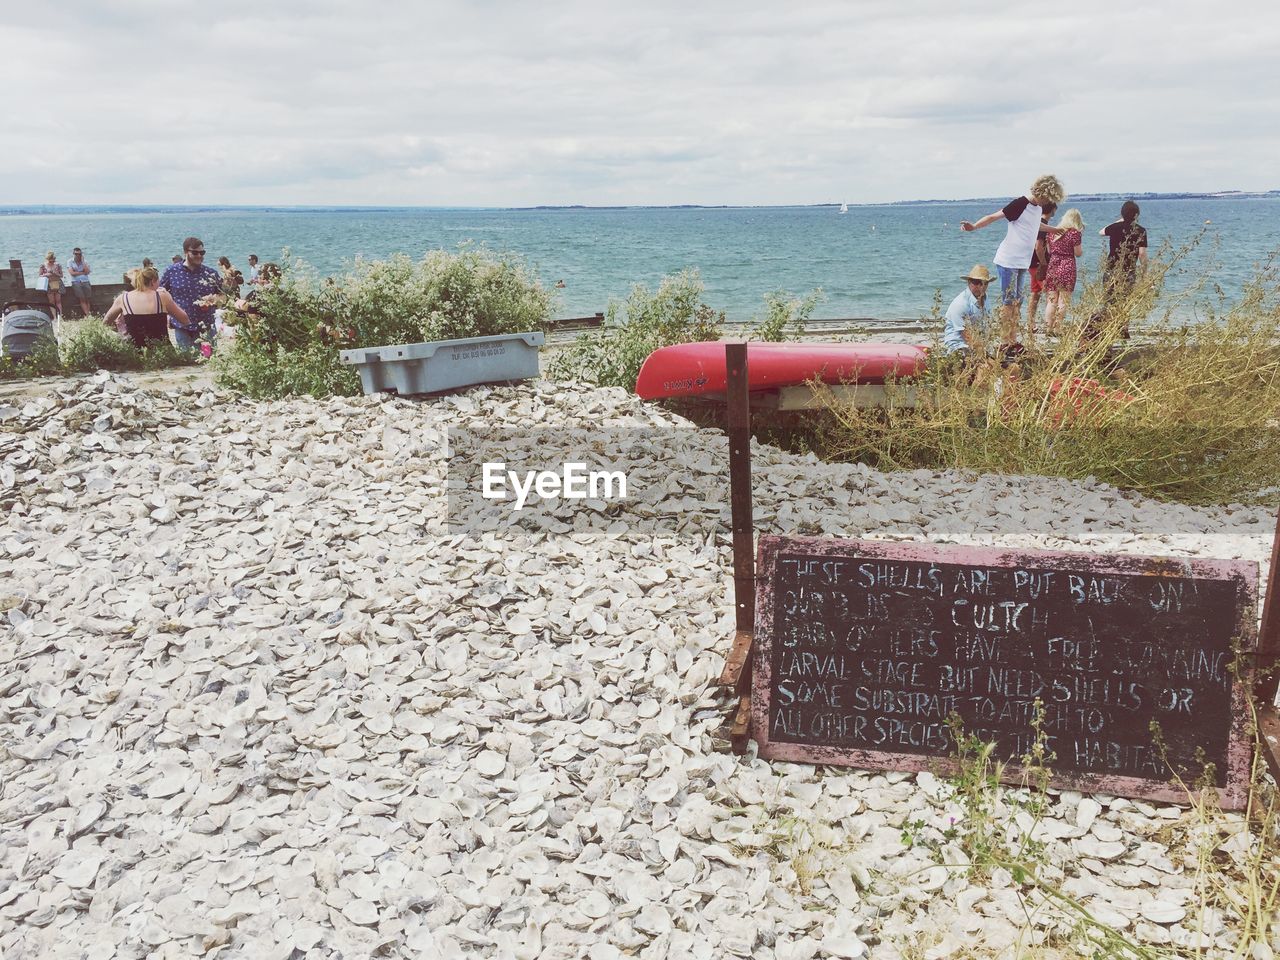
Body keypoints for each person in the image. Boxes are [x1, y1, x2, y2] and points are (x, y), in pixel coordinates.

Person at [960, 175, 1066, 343]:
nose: (1047, 202)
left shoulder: (1038, 208)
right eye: (1047, 198)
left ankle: (1013, 340)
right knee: (1008, 302)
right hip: (1008, 260)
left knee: (1018, 301)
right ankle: (1005, 341)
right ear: (1042, 192)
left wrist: (1054, 229)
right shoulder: (1020, 204)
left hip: (1022, 262)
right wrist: (973, 227)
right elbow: (993, 217)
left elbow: (1034, 225)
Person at [160, 237, 222, 351]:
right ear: (185, 252)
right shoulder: (171, 271)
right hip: (182, 326)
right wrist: (168, 314)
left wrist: (214, 299)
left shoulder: (211, 273)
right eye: (195, 252)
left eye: (202, 252)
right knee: (187, 360)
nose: (199, 255)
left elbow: (223, 296)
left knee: (209, 360)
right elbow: (159, 294)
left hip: (206, 325)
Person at [104, 267, 189, 348]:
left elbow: (106, 322)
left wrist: (121, 333)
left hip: (134, 352)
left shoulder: (123, 298)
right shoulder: (162, 297)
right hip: (162, 352)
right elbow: (185, 320)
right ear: (152, 281)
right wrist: (168, 299)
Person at [1100, 201, 1148, 335]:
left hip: (1111, 268)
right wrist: (1144, 272)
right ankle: (1123, 329)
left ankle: (1108, 328)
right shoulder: (1140, 230)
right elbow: (1142, 254)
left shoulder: (1115, 227)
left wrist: (1119, 220)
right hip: (1129, 270)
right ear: (1137, 215)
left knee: (1109, 300)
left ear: (1122, 213)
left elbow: (1101, 231)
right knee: (1125, 300)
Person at [1043, 209, 1085, 336]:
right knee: (1063, 300)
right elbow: (1078, 253)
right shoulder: (1074, 233)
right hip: (1067, 266)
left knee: (1051, 300)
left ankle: (1048, 328)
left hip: (1053, 265)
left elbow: (1049, 251)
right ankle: (1057, 328)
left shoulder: (1052, 232)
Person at [941, 265, 994, 359]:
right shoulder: (961, 303)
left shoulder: (986, 299)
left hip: (977, 344)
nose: (980, 287)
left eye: (984, 283)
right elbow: (966, 334)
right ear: (969, 283)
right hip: (958, 346)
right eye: (977, 283)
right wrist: (981, 352)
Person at [1026, 202, 1057, 336]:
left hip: (1030, 262)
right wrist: (1044, 263)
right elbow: (1038, 246)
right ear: (1053, 210)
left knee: (1035, 293)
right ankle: (1048, 325)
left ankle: (1030, 323)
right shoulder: (1043, 224)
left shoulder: (1034, 222)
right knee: (1050, 294)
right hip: (1038, 264)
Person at [38, 251, 64, 320]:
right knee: (51, 301)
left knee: (58, 301)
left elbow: (61, 275)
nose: (52, 262)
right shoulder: (43, 266)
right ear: (47, 259)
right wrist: (46, 275)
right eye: (50, 261)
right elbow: (40, 275)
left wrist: (55, 273)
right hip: (48, 284)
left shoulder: (58, 265)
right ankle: (54, 317)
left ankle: (60, 316)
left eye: (53, 261)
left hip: (57, 283)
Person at [67, 247, 92, 317]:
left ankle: (88, 314)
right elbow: (72, 273)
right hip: (76, 282)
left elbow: (87, 272)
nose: (78, 255)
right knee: (82, 298)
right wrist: (82, 272)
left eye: (79, 254)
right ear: (73, 254)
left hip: (85, 281)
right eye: (76, 254)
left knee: (87, 298)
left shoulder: (85, 262)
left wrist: (83, 262)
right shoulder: (70, 261)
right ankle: (88, 315)